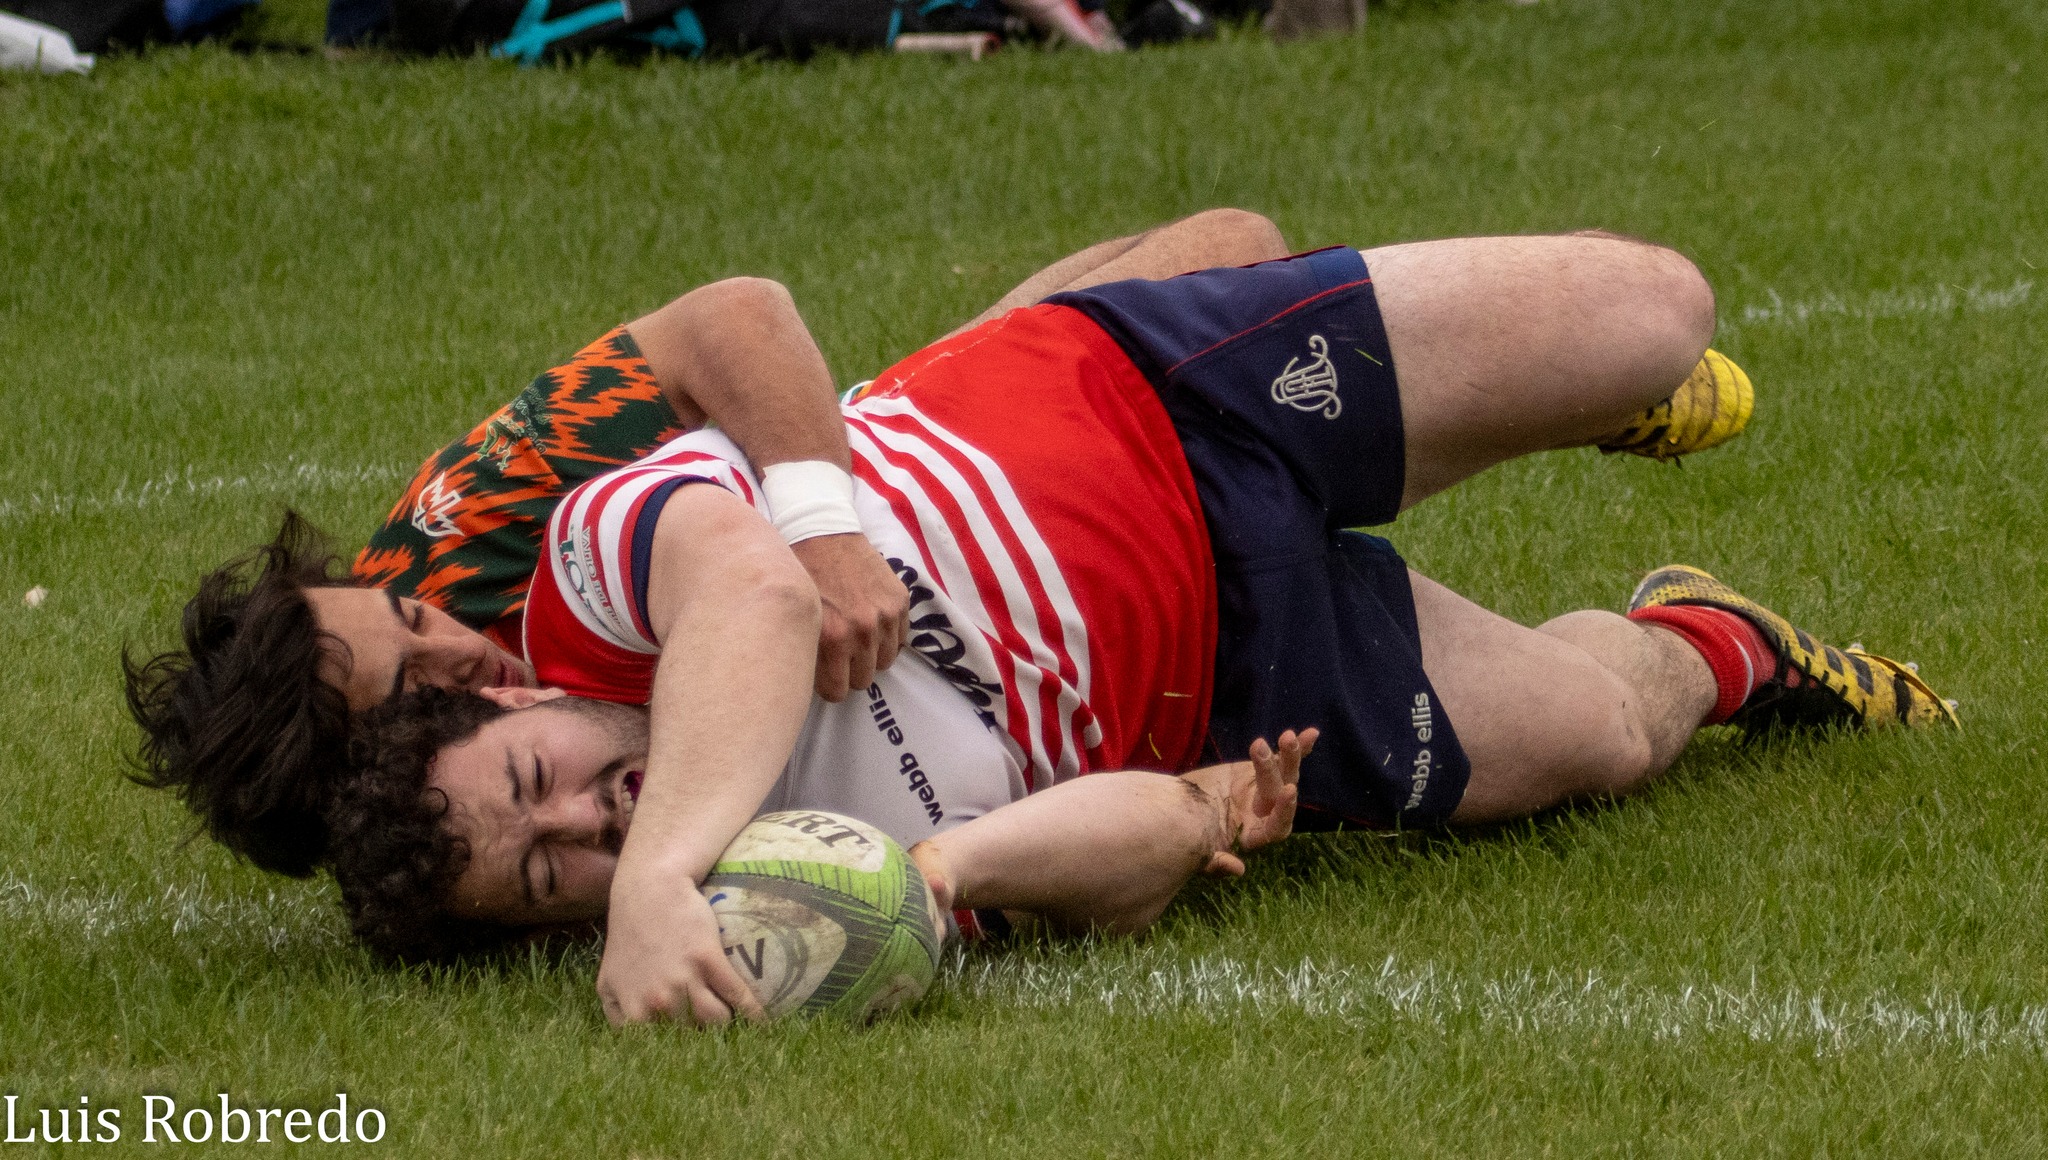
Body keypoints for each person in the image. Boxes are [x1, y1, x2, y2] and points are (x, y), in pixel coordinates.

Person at [322, 232, 1958, 1026]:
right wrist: (1002, 865)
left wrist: (656, 875)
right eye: (549, 868)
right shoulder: (786, 896)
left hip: (1156, 399)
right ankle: (1726, 637)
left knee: (1652, 314)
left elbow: (757, 596)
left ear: (517, 695)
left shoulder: (595, 587)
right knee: (1602, 734)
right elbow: (1104, 848)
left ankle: (1563, 391)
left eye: (526, 771)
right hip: (1237, 676)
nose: (573, 815)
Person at [122, 209, 1295, 879]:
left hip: (902, 511)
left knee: (1237, 240)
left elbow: (734, 317)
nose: (459, 653)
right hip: (1004, 682)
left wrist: (825, 533)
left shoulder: (461, 533)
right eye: (413, 684)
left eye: (412, 621)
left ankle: (980, 379)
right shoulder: (483, 833)